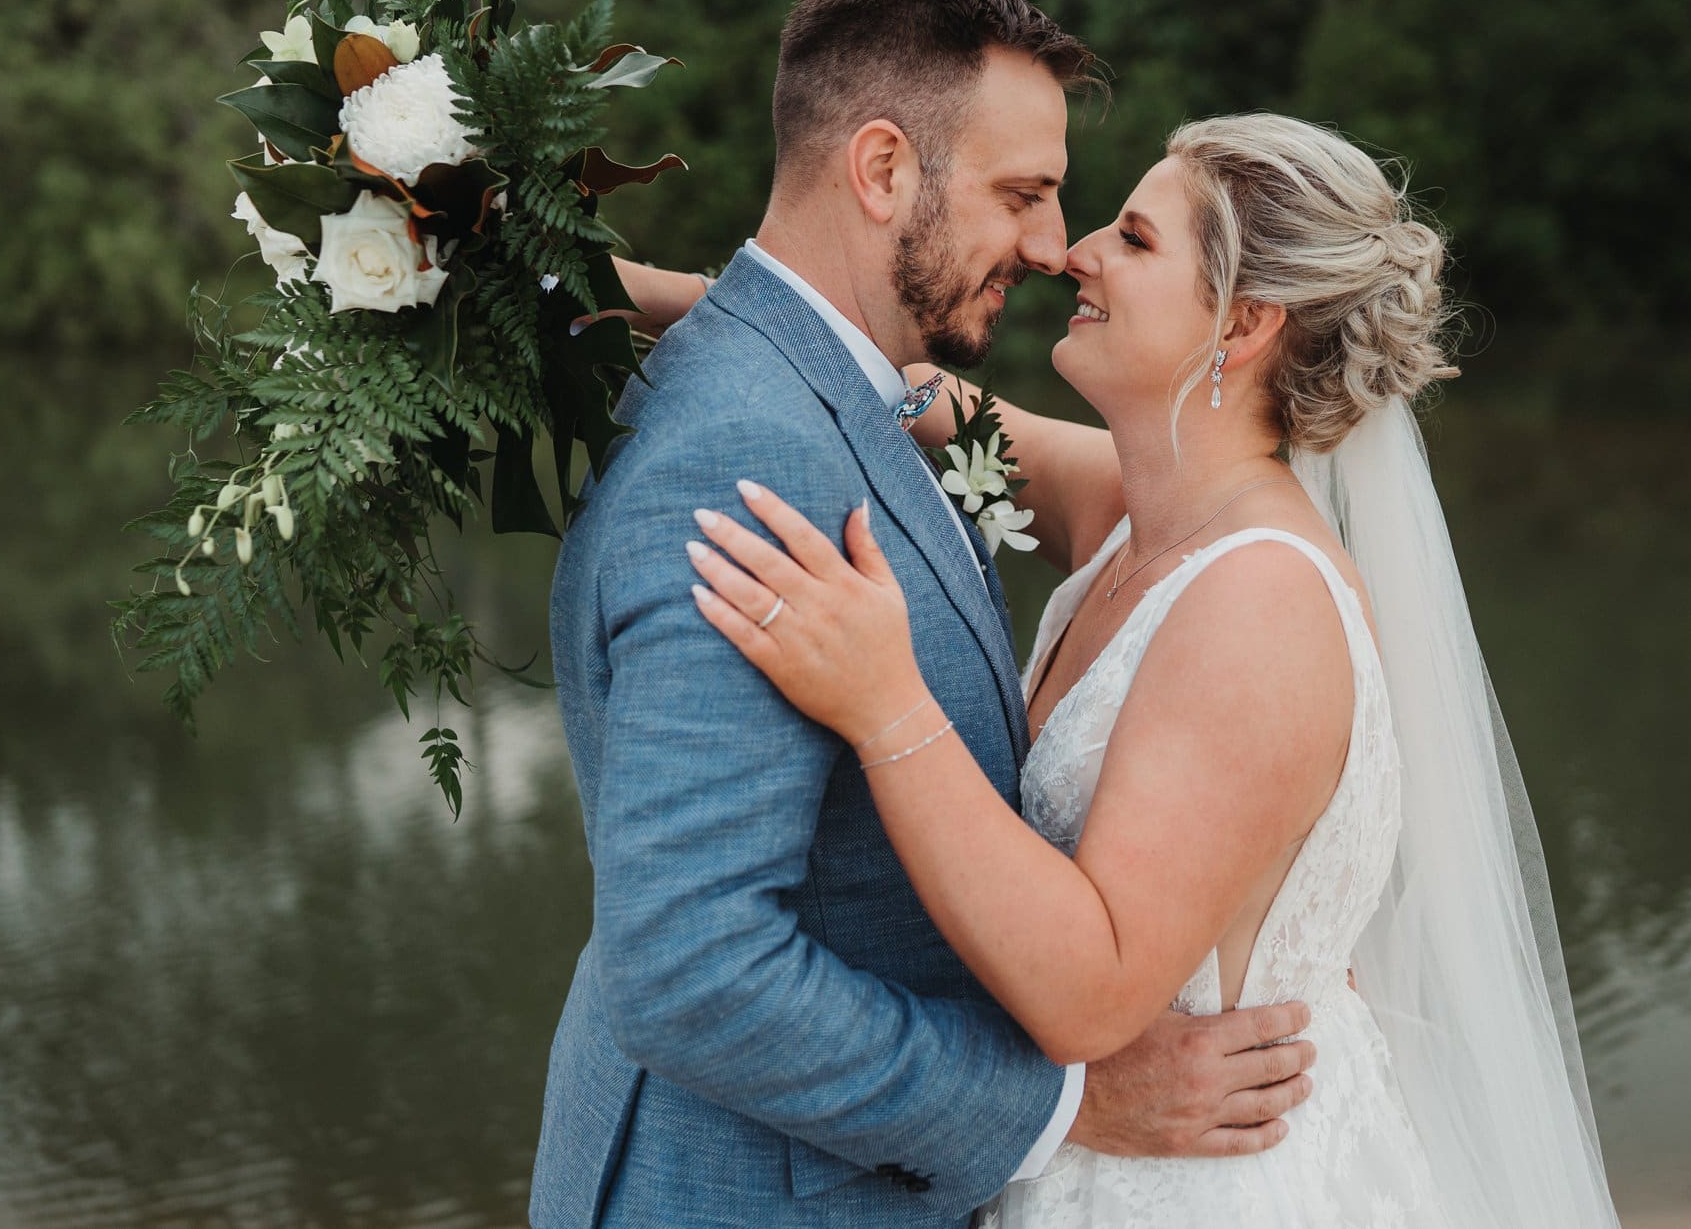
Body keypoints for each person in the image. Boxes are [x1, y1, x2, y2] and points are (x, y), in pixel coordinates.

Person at [663, 114, 1624, 1226]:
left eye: (1133, 238)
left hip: (1200, 1185)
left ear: (1244, 323)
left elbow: (1092, 990)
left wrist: (884, 703)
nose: (1076, 254)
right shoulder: (1137, 512)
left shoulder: (1258, 607)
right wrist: (613, 291)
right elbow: (908, 390)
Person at [529, 0, 1320, 1229]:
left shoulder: (836, 392)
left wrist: (650, 292)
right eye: (1023, 195)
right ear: (884, 170)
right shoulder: (752, 451)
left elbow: (907, 393)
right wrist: (1059, 1111)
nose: (1055, 249)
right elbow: (692, 969)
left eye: (1101, 222)